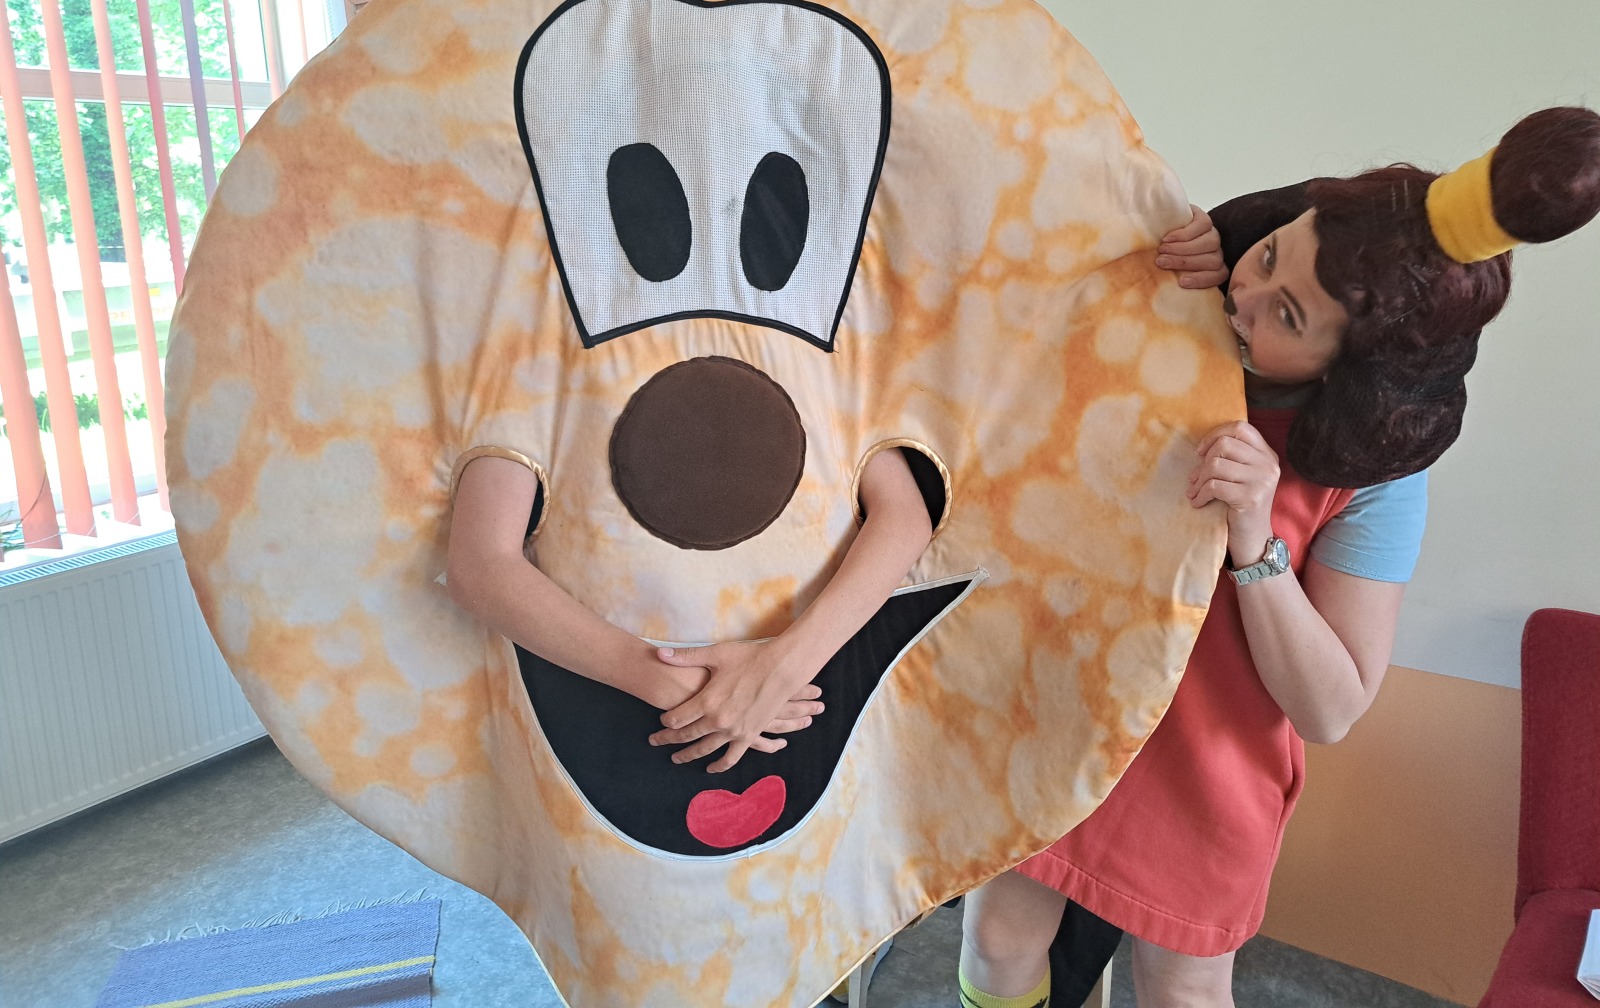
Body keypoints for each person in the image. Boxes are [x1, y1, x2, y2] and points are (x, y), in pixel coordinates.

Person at [957, 105, 1600, 1008]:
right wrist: (1156, 263)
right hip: (1060, 710)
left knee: (1181, 988)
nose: (1242, 301)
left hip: (1205, 768)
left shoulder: (1377, 479)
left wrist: (1255, 540)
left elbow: (1331, 707)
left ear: (1350, 369)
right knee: (997, 937)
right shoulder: (1171, 317)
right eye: (1267, 257)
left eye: (1287, 314)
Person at [447, 443, 933, 773]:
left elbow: (904, 514)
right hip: (612, 697)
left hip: (808, 691)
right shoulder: (532, 349)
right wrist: (667, 680)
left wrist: (780, 670)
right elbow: (482, 564)